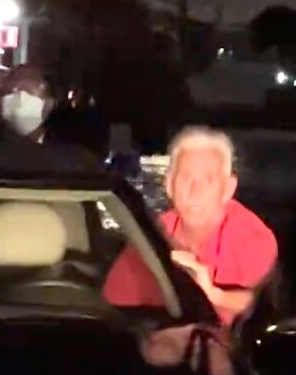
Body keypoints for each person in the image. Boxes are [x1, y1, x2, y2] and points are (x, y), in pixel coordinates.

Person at [102, 126, 277, 328]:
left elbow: (257, 311)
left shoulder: (252, 239)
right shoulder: (151, 235)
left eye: (208, 180)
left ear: (228, 189)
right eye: (186, 179)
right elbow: (114, 312)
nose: (195, 191)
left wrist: (211, 294)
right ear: (169, 186)